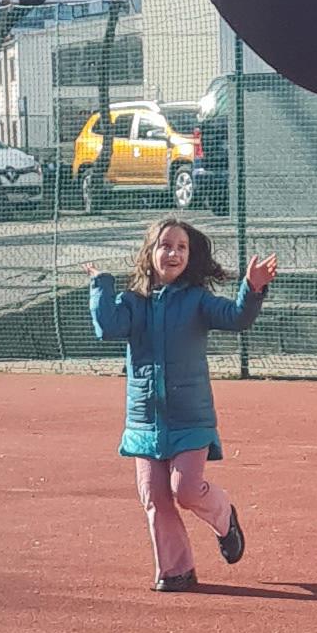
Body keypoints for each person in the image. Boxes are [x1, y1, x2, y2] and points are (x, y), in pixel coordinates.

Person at [88, 215, 275, 590]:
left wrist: (252, 289)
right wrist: (100, 284)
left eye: (181, 248)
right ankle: (176, 570)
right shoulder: (132, 302)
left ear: (189, 257)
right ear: (150, 252)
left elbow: (236, 317)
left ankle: (224, 517)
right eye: (165, 246)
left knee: (185, 490)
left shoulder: (197, 300)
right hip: (144, 421)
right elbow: (107, 327)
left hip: (191, 419)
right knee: (155, 497)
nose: (173, 253)